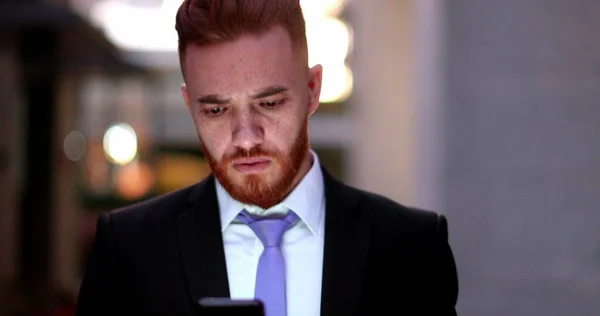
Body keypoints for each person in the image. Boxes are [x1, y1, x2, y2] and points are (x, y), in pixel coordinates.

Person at [75, 0, 459, 315]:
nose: (245, 138)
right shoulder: (128, 251)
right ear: (190, 106)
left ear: (312, 90)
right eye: (216, 111)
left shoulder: (412, 250)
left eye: (269, 103)